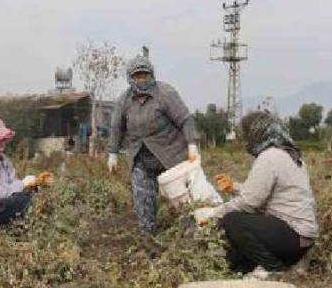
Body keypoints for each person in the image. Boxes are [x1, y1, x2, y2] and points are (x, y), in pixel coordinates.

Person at [202, 111, 318, 275]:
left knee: (233, 221)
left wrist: (213, 214)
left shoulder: (269, 157)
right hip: (302, 240)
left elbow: (250, 203)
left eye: (248, 135)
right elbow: (264, 192)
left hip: (292, 237)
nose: (246, 141)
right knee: (234, 259)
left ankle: (272, 268)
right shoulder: (290, 154)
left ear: (259, 133)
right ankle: (246, 267)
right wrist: (233, 187)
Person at [107, 55, 200, 234]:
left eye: (145, 75)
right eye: (137, 76)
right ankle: (148, 236)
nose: (142, 79)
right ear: (130, 78)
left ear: (151, 75)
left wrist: (192, 145)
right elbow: (117, 128)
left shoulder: (165, 93)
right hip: (141, 156)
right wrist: (113, 154)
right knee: (143, 198)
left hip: (171, 154)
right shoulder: (124, 101)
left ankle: (192, 233)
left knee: (180, 198)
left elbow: (185, 119)